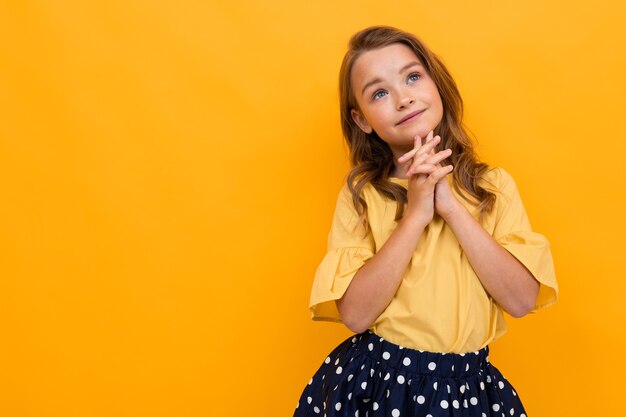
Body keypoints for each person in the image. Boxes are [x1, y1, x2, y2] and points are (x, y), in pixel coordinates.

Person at [293, 25, 558, 417]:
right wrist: (416, 213)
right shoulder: (364, 196)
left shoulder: (494, 187)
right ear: (362, 119)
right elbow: (356, 314)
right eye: (379, 93)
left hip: (469, 389)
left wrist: (450, 206)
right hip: (381, 386)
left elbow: (520, 301)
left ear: (437, 85)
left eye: (413, 77)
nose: (404, 98)